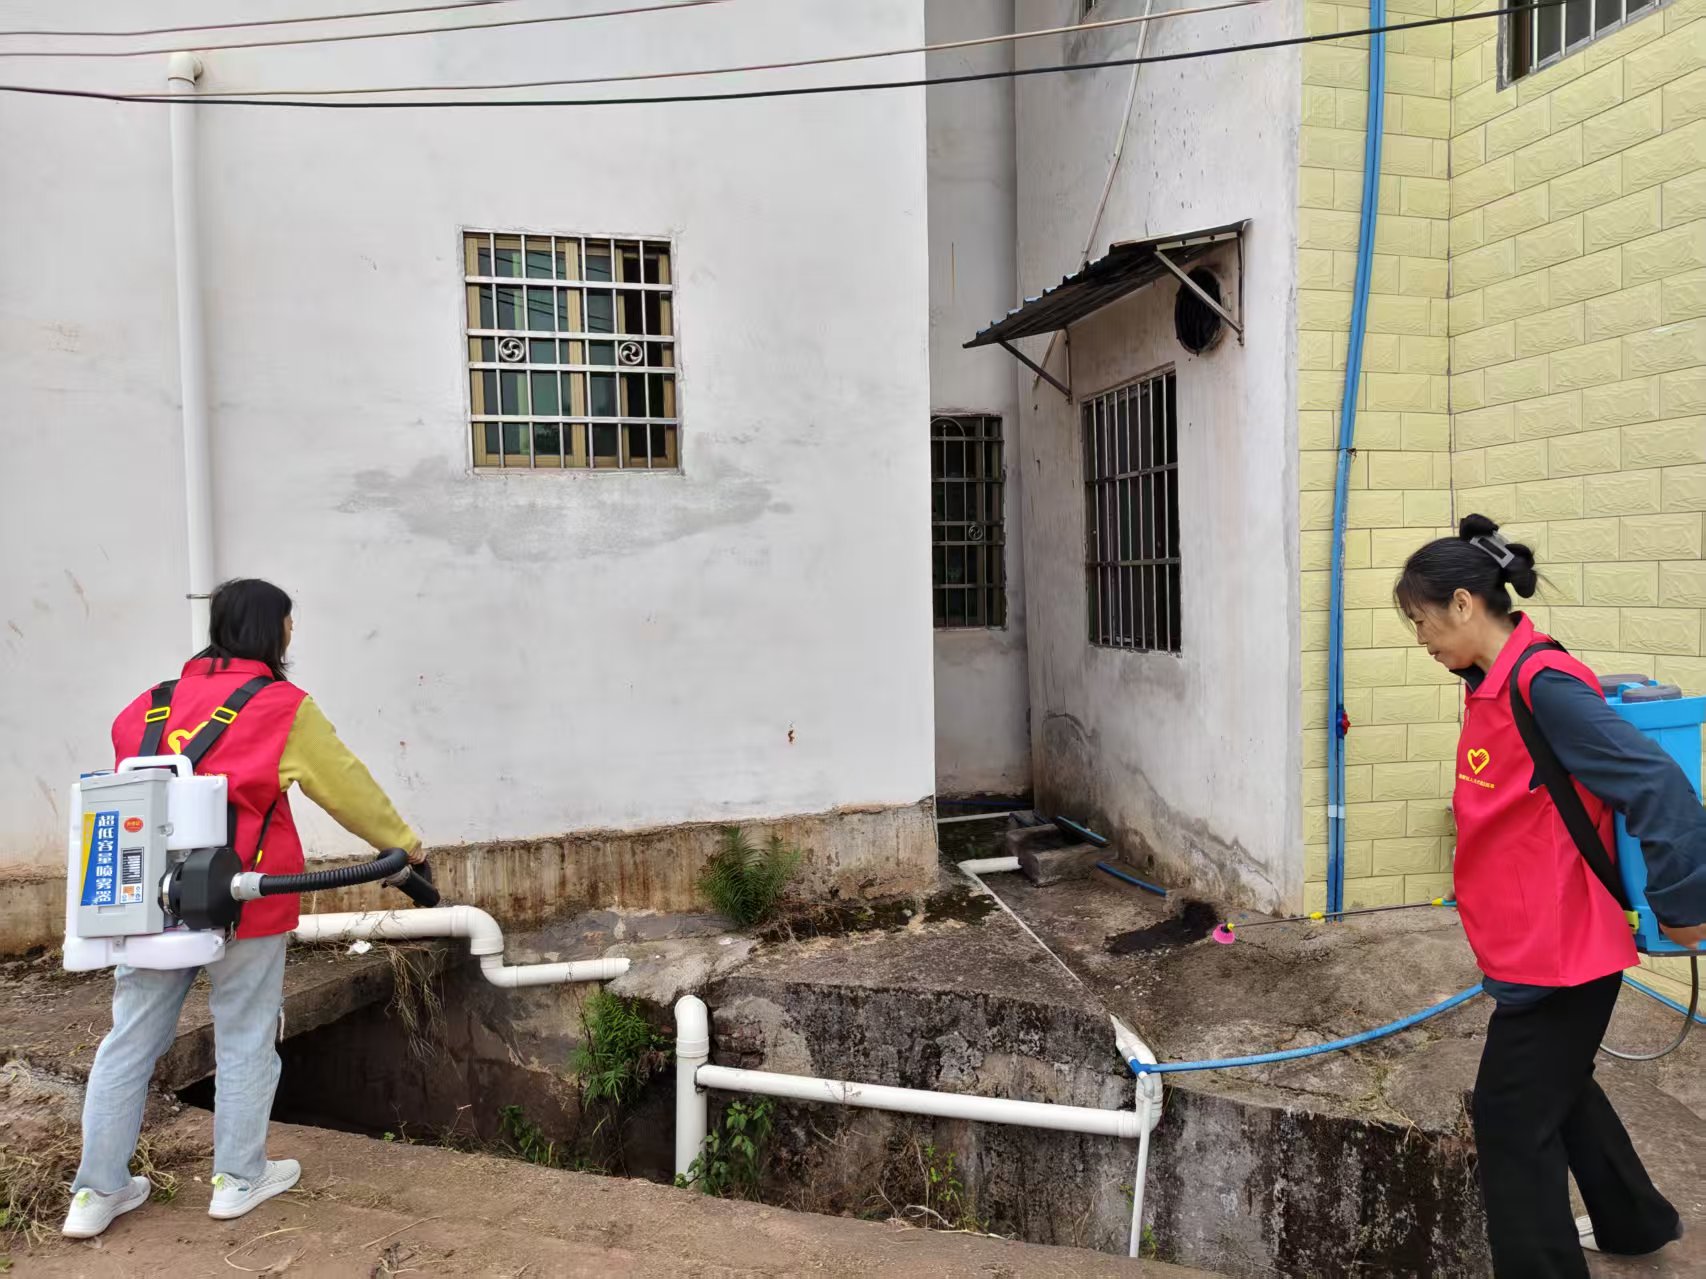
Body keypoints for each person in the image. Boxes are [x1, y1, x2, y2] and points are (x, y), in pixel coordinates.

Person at [63, 579, 422, 1240]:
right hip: (245, 898)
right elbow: (349, 788)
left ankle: (95, 1191)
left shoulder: (145, 706)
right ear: (271, 630)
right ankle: (237, 1178)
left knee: (129, 1040)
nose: (292, 632)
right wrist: (404, 847)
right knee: (246, 1033)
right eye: (288, 622)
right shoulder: (283, 706)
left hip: (150, 903)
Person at [1396, 515, 1706, 1277]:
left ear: (1464, 603)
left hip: (1563, 950)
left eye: (1422, 619)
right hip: (1526, 941)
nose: (1420, 638)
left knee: (1509, 1117)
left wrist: (1683, 904)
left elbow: (1658, 784)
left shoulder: (1545, 684)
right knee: (1559, 1087)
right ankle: (1634, 1223)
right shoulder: (1491, 682)